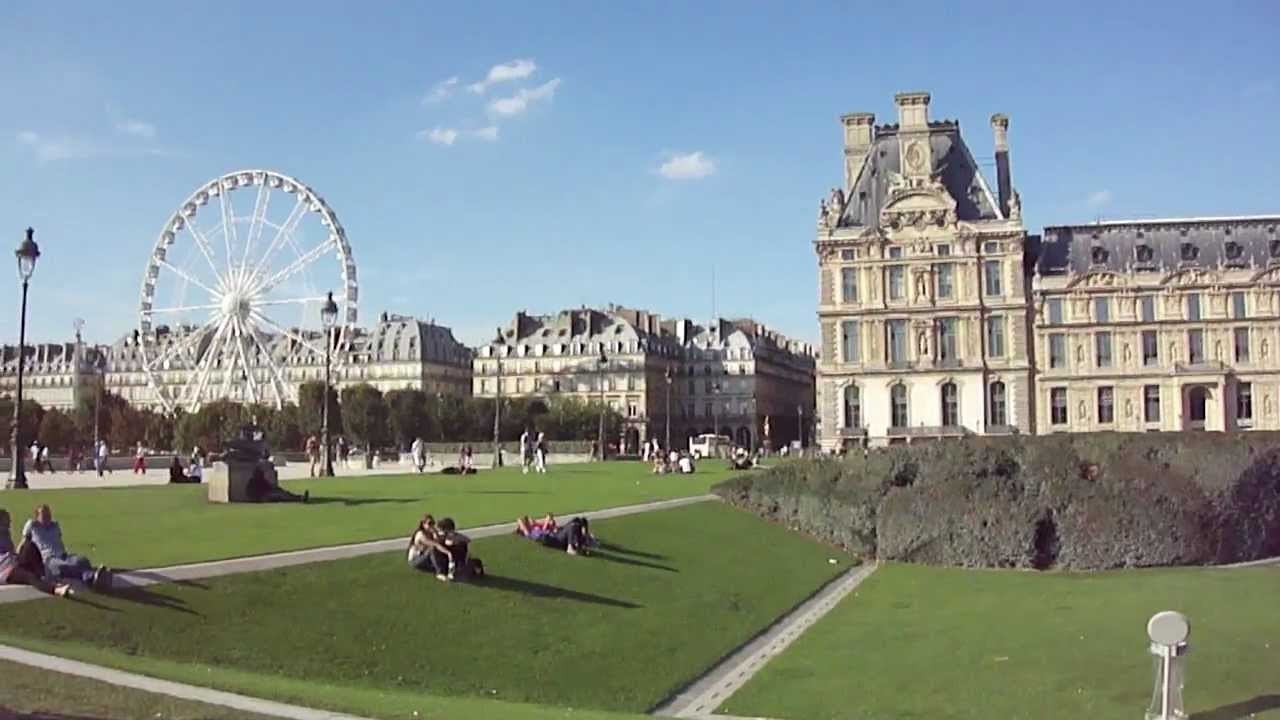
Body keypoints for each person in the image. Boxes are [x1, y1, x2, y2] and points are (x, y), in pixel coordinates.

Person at [21, 504, 112, 590]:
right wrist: (18, 556)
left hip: (63, 555)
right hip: (48, 559)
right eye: (44, 515)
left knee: (82, 560)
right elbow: (24, 542)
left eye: (48, 514)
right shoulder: (32, 525)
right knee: (62, 567)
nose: (47, 517)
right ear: (37, 516)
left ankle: (94, 577)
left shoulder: (55, 526)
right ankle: (91, 577)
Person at [0, 509, 73, 597]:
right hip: (4, 571)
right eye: (7, 520)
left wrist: (17, 556)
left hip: (12, 562)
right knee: (29, 576)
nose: (10, 522)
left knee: (30, 546)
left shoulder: (6, 534)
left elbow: (10, 551)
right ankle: (56, 590)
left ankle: (44, 577)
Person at [517, 514, 592, 555]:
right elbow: (520, 522)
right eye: (526, 523)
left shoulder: (536, 528)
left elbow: (548, 525)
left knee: (578, 520)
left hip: (557, 535)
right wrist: (521, 522)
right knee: (573, 525)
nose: (527, 522)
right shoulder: (529, 533)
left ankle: (583, 541)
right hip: (556, 539)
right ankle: (570, 547)